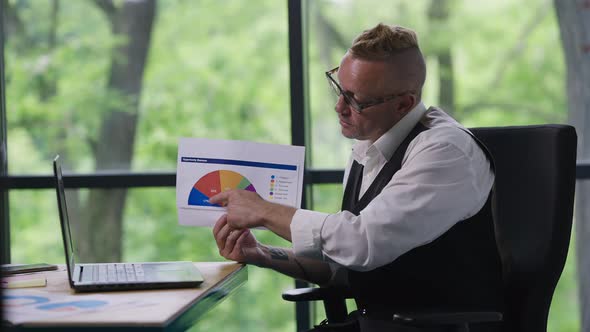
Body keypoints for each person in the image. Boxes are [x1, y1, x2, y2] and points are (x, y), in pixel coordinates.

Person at [210, 23, 504, 332]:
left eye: (355, 100)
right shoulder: (367, 150)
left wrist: (265, 210)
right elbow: (344, 264)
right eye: (339, 89)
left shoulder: (446, 151)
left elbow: (360, 243)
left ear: (403, 104)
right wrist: (264, 254)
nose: (339, 107)